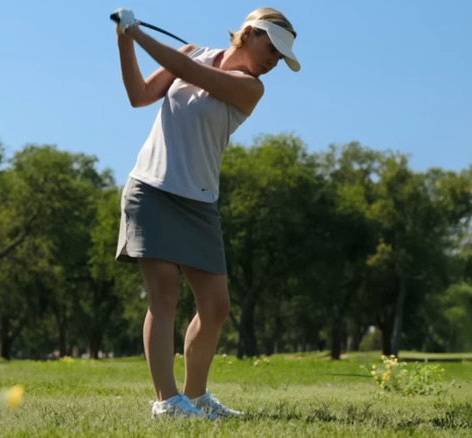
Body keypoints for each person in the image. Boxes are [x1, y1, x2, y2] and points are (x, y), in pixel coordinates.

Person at [112, 7, 300, 419]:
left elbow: (190, 73)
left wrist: (138, 32)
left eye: (280, 59)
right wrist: (125, 41)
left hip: (199, 201)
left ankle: (196, 397)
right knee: (163, 297)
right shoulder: (193, 51)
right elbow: (139, 96)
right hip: (152, 189)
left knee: (216, 307)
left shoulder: (250, 88)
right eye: (272, 49)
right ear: (249, 33)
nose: (274, 63)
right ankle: (168, 402)